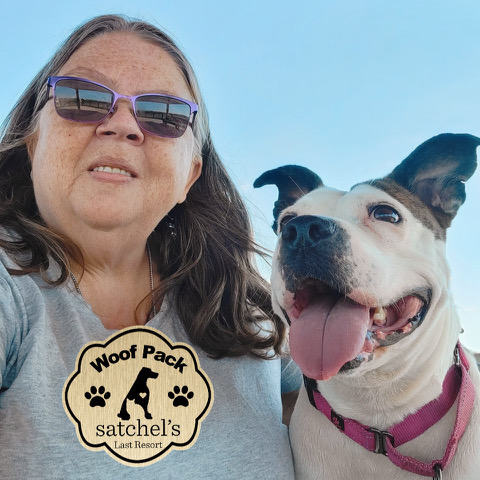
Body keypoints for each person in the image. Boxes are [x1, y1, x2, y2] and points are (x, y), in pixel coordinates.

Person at [0, 14, 300, 479]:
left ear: (190, 176)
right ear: (33, 140)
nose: (123, 125)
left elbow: (346, 407)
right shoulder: (9, 288)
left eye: (163, 113)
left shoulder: (249, 309)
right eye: (82, 97)